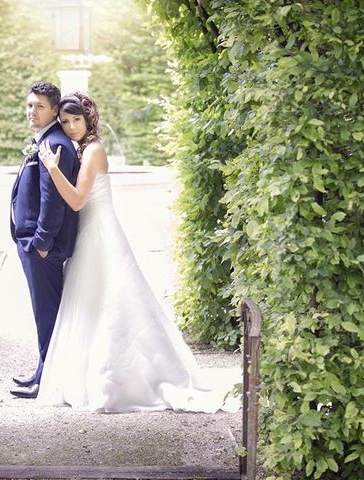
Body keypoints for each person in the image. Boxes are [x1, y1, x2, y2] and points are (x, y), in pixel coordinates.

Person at [36, 92, 240, 413]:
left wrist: (52, 168)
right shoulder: (81, 148)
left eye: (77, 120)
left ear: (89, 119)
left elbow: (76, 200)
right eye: (65, 122)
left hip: (100, 234)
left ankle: (124, 383)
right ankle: (86, 376)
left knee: (112, 301)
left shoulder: (94, 150)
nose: (72, 127)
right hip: (89, 233)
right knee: (91, 302)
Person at [9, 82, 80, 399]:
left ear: (54, 110)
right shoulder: (44, 141)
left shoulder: (55, 144)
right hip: (34, 243)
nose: (31, 111)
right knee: (44, 311)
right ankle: (42, 371)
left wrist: (40, 241)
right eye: (28, 105)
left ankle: (48, 381)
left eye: (39, 106)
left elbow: (53, 200)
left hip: (42, 247)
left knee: (48, 312)